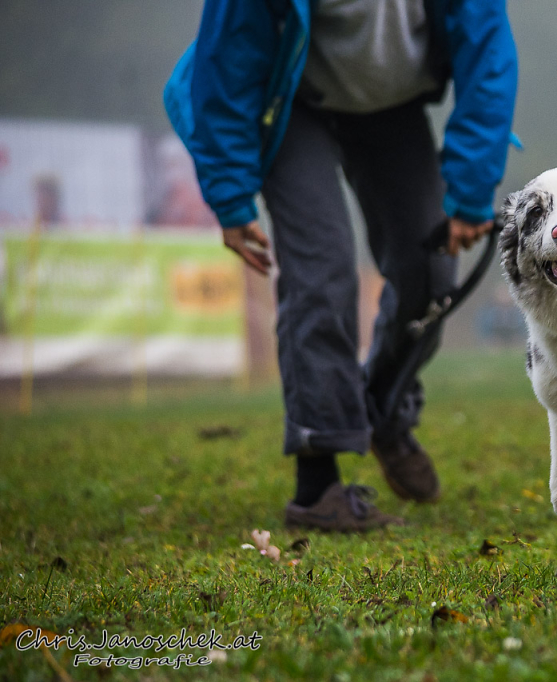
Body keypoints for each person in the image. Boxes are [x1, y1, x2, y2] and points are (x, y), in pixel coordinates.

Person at [164, 0, 518, 531]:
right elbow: (228, 58)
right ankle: (318, 486)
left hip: (392, 104)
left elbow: (487, 52)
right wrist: (231, 194)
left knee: (431, 276)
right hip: (291, 99)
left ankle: (382, 409)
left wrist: (470, 188)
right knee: (320, 272)